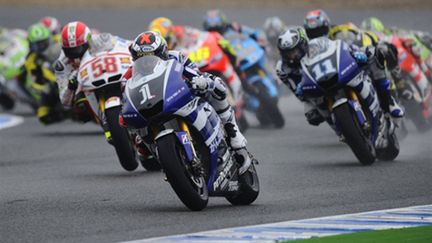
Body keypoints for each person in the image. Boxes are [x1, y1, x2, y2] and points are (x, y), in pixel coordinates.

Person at [125, 31, 253, 174]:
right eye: (141, 58)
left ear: (162, 53)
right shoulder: (129, 75)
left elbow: (194, 72)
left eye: (151, 57)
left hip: (182, 95)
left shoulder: (176, 56)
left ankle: (234, 133)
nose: (147, 62)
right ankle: (158, 154)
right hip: (153, 106)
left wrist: (200, 81)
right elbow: (126, 97)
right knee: (135, 131)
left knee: (216, 85)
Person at [276, 27, 403, 130]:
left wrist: (355, 53)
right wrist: (299, 89)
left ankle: (389, 102)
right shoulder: (283, 68)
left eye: (295, 51)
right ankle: (338, 128)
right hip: (311, 89)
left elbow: (338, 47)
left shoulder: (316, 44)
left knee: (375, 54)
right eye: (287, 53)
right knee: (312, 116)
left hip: (332, 74)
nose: (292, 56)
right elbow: (294, 88)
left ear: (303, 45)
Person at [25, 23, 63, 124]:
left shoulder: (59, 40)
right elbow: (33, 79)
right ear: (31, 44)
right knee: (44, 116)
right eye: (37, 44)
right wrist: (43, 87)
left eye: (43, 42)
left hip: (68, 72)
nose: (41, 46)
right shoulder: (31, 60)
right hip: (51, 84)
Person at [202, 9, 267, 49]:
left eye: (217, 29)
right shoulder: (204, 36)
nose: (215, 32)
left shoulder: (232, 27)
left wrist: (259, 38)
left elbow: (254, 32)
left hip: (242, 53)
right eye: (211, 30)